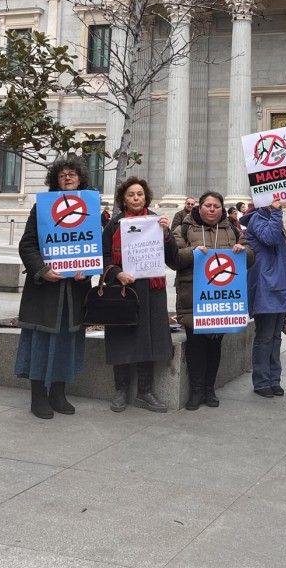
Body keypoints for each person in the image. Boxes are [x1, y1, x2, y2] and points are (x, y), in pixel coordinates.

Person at [15, 157, 93, 420]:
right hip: (44, 291)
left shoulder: (91, 209)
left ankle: (58, 394)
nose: (68, 178)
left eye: (72, 174)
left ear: (80, 178)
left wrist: (86, 270)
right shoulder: (42, 208)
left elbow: (93, 248)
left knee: (66, 343)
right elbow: (27, 245)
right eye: (62, 175)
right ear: (55, 180)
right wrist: (42, 270)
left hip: (74, 291)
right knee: (40, 343)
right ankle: (38, 396)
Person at [166, 191, 254, 410]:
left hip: (220, 299)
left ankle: (209, 390)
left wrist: (243, 252)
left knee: (215, 345)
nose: (212, 209)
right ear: (199, 207)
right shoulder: (184, 228)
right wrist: (193, 252)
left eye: (216, 206)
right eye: (208, 205)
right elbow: (174, 258)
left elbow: (251, 256)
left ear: (222, 208)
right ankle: (196, 391)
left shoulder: (232, 229)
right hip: (193, 297)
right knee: (196, 346)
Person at [102, 177, 173, 413]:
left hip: (151, 292)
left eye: (139, 194)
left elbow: (172, 259)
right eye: (131, 194)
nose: (135, 198)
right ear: (124, 198)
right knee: (122, 338)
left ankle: (145, 391)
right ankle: (120, 390)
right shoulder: (113, 225)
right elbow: (104, 259)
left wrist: (166, 234)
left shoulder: (157, 222)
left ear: (146, 197)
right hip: (123, 289)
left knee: (147, 341)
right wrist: (117, 273)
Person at [242, 203, 286, 397]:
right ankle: (262, 381)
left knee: (275, 336)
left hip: (279, 284)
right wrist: (277, 212)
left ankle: (274, 379)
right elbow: (270, 238)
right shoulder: (257, 219)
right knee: (265, 336)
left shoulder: (273, 218)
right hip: (265, 286)